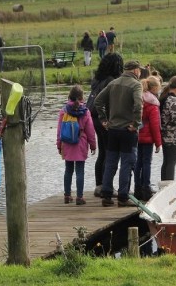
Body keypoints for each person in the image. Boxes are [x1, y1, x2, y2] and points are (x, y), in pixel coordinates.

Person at [93, 59, 143, 207]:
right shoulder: (136, 84)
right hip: (128, 130)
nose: (139, 72)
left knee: (110, 162)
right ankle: (123, 197)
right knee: (127, 164)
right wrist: (136, 123)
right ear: (135, 71)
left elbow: (98, 101)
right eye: (139, 70)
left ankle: (107, 196)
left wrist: (103, 119)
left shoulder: (113, 83)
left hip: (113, 130)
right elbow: (138, 104)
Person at [86, 53, 124, 197]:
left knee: (103, 152)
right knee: (111, 153)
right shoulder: (111, 81)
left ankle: (99, 185)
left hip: (94, 118)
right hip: (105, 119)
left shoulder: (97, 79)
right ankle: (107, 186)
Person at [56, 85, 97, 205]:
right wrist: (93, 145)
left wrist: (59, 144)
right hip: (81, 142)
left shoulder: (63, 111)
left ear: (69, 96)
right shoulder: (85, 111)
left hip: (67, 143)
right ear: (81, 97)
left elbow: (59, 130)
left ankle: (67, 195)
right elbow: (90, 130)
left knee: (68, 170)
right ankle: (79, 197)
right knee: (80, 171)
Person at [134, 76, 162, 201]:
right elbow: (155, 126)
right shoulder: (153, 104)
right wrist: (158, 143)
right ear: (154, 88)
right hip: (148, 139)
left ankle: (137, 189)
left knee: (137, 163)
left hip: (135, 136)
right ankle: (146, 188)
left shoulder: (137, 99)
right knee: (146, 163)